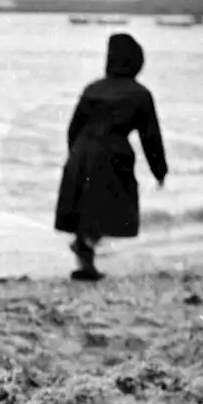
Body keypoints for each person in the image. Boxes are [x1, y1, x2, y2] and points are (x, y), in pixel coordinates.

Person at [55, 32, 168, 281]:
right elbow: (151, 138)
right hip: (112, 154)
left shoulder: (93, 88)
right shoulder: (140, 93)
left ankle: (86, 261)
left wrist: (75, 155)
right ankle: (85, 251)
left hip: (81, 152)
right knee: (110, 207)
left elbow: (73, 128)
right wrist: (160, 170)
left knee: (86, 208)